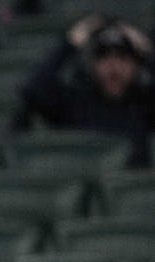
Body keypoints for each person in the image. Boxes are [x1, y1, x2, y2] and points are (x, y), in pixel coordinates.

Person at [15, 14, 155, 167]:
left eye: (123, 57)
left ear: (135, 65)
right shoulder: (73, 101)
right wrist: (69, 44)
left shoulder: (144, 103)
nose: (114, 66)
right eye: (103, 56)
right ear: (91, 64)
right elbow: (32, 91)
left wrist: (146, 49)